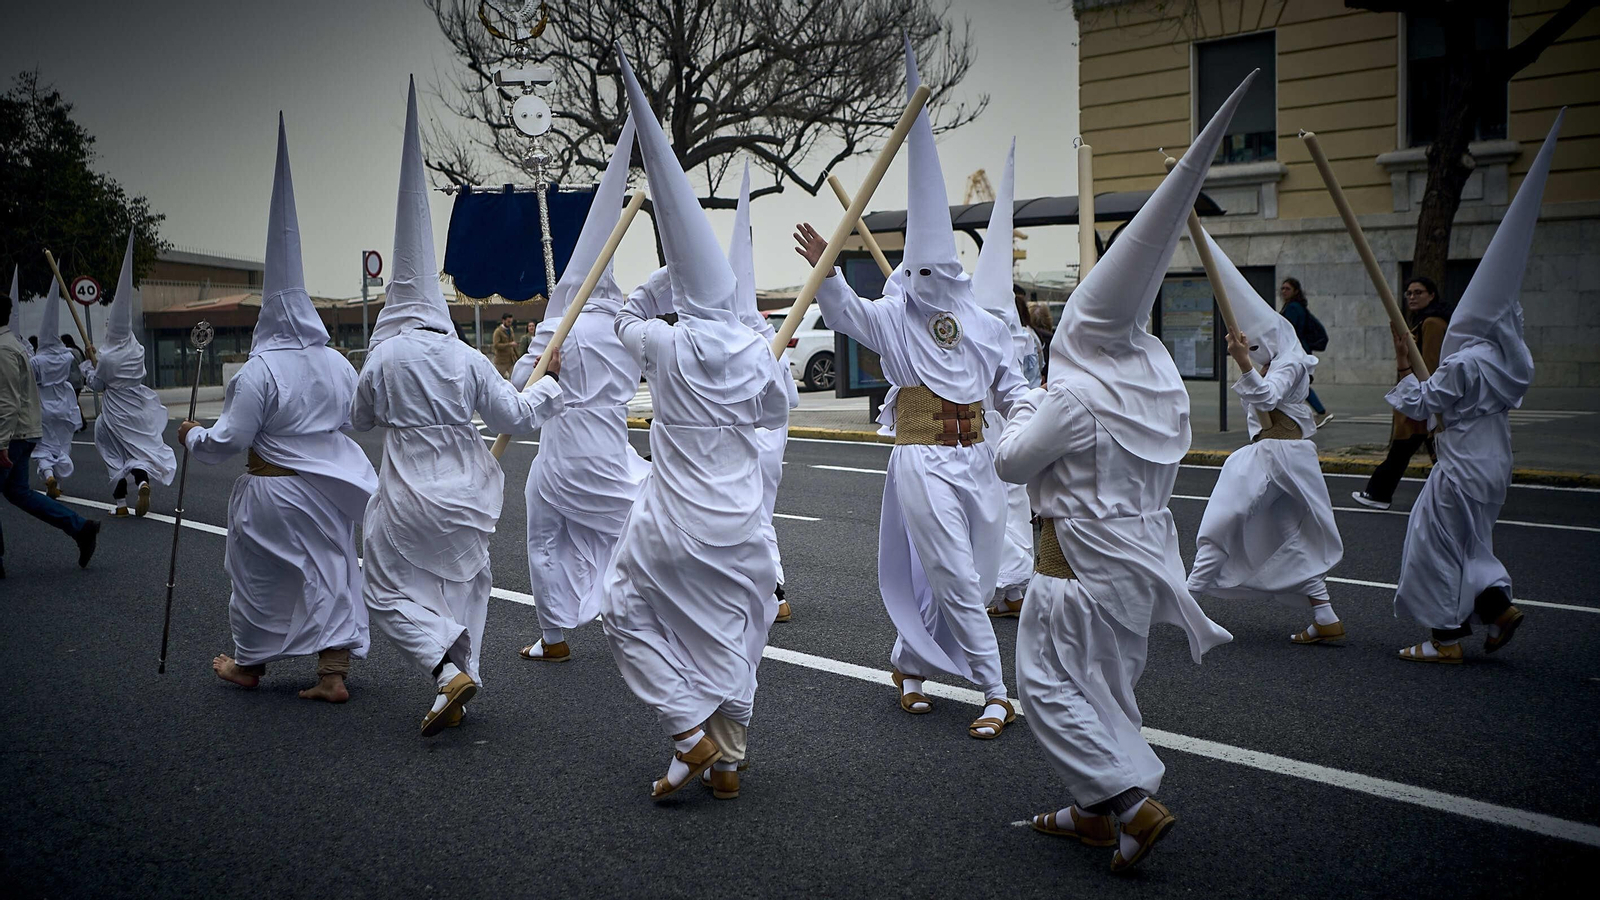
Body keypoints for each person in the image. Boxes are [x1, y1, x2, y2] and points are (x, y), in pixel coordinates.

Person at [997, 72, 1249, 873]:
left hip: (1072, 567)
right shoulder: (1161, 384)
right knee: (1108, 688)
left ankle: (1132, 806)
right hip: (1135, 565)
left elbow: (1011, 465)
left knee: (1048, 689)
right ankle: (1091, 813)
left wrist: (1019, 408)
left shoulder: (1070, 393)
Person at [793, 39, 1027, 740]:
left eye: (936, 274)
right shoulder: (895, 315)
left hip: (978, 457)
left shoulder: (982, 324)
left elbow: (1013, 388)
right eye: (916, 274)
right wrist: (828, 274)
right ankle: (995, 693)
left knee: (967, 575)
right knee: (953, 571)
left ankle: (910, 665)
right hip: (921, 455)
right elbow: (850, 317)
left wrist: (1025, 429)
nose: (925, 285)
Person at [600, 51, 789, 801]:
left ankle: (689, 732)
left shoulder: (666, 342)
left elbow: (619, 317)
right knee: (732, 622)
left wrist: (660, 280)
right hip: (741, 522)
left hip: (675, 521)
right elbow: (776, 414)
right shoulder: (756, 353)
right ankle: (730, 758)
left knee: (621, 608)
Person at [353, 79, 566, 736]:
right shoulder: (467, 357)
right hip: (468, 487)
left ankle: (446, 672)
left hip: (411, 489)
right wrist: (549, 381)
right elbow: (517, 419)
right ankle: (459, 664)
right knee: (468, 582)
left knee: (384, 586)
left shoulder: (384, 358)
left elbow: (359, 419)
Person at [179, 116, 378, 702]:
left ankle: (249, 664)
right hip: (325, 487)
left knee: (258, 577)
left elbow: (229, 439)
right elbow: (349, 419)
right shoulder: (338, 363)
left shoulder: (258, 371)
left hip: (271, 491)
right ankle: (332, 673)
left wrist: (192, 435)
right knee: (334, 573)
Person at [1390, 113, 1561, 664]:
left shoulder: (1465, 362)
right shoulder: (1510, 363)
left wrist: (1408, 379)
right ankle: (1496, 610)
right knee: (1471, 542)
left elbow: (1428, 401)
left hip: (1462, 466)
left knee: (1433, 542)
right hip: (1494, 465)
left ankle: (1443, 637)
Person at [513, 114, 650, 664]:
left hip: (565, 448)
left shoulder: (561, 328)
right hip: (608, 441)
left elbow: (522, 385)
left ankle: (559, 636)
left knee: (545, 539)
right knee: (633, 526)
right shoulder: (622, 326)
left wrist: (546, 356)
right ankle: (568, 629)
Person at [1186, 230, 1345, 644]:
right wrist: (1248, 360)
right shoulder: (1273, 358)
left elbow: (1268, 396)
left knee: (1222, 520)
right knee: (1288, 528)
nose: (1249, 350)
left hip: (1279, 456)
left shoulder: (1290, 361)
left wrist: (1243, 363)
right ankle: (1325, 615)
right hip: (1274, 456)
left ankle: (1185, 600)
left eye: (1255, 344)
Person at [729, 161, 802, 625]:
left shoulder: (729, 340)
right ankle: (755, 587)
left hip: (748, 442)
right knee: (755, 515)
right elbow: (791, 400)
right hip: (769, 444)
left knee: (749, 518)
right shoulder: (768, 337)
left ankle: (773, 589)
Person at [972, 144, 1038, 619]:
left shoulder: (984, 336)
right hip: (1017, 427)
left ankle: (1006, 590)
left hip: (987, 430)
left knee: (993, 513)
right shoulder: (1028, 338)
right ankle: (1012, 592)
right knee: (1012, 507)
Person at [1, 286, 100, 579]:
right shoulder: (17, 347)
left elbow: (6, 402)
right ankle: (79, 526)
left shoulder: (5, 350)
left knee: (27, 480)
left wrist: (1, 443)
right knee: (19, 491)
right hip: (34, 423)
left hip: (14, 433)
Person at [81, 232, 178, 517]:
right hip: (137, 406)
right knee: (137, 451)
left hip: (115, 411)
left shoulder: (108, 357)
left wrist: (90, 365)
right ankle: (144, 480)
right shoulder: (137, 349)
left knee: (113, 453)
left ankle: (121, 505)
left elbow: (99, 384)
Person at [1351, 275, 1450, 510]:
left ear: (1432, 295)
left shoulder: (1432, 323)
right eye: (1409, 293)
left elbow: (1430, 364)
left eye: (1419, 292)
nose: (1412, 297)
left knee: (1408, 451)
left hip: (1421, 397)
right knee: (1419, 451)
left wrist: (1423, 395)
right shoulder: (1422, 320)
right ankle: (1379, 494)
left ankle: (1378, 494)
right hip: (1419, 397)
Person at [26, 277, 82, 498]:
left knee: (43, 446)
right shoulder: (66, 357)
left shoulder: (37, 361)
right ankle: (56, 481)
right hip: (64, 403)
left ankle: (49, 475)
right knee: (62, 444)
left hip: (43, 404)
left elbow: (30, 380)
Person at [1277, 277, 1332, 426]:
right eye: (1282, 288)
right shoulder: (1296, 306)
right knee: (1297, 383)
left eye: (1287, 288)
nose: (1283, 291)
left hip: (1295, 352)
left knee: (1299, 384)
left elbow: (1289, 331)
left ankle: (1321, 413)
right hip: (1300, 350)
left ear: (1295, 291)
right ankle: (1300, 415)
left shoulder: (1293, 308)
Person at [492, 312, 517, 378]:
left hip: (511, 360)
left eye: (511, 322)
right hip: (501, 361)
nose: (510, 323)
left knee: (514, 377)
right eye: (508, 322)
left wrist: (517, 356)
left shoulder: (510, 330)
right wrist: (509, 344)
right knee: (498, 379)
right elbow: (496, 345)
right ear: (503, 321)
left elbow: (513, 344)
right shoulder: (498, 331)